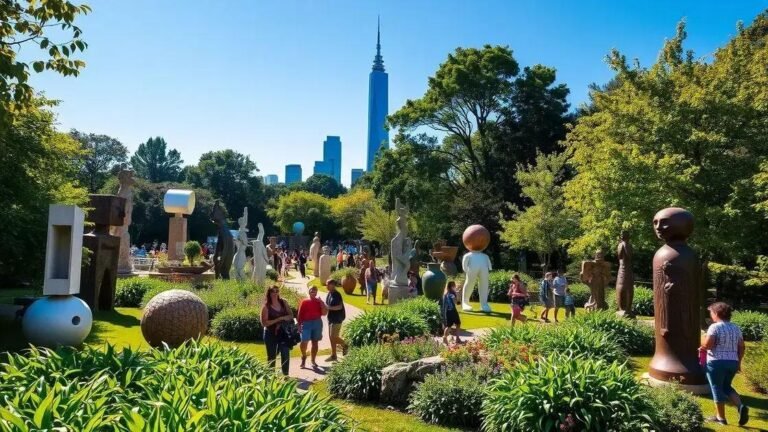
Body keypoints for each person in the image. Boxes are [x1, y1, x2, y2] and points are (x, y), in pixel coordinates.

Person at [699, 302, 749, 426]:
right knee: (726, 386)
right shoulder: (736, 328)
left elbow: (708, 345)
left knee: (716, 388)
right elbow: (742, 346)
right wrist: (739, 362)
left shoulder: (714, 327)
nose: (711, 315)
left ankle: (721, 418)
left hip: (716, 362)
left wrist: (703, 341)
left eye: (711, 313)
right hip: (733, 362)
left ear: (716, 313)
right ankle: (740, 406)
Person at [260, 286, 294, 376]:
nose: (275, 293)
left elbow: (291, 315)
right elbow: (264, 323)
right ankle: (271, 376)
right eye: (272, 291)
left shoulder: (283, 302)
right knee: (271, 357)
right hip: (270, 334)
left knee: (285, 354)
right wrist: (278, 319)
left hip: (283, 333)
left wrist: (283, 318)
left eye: (277, 291)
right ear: (269, 293)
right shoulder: (266, 306)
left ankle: (285, 375)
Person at [297, 286, 328, 368]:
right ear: (309, 292)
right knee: (304, 342)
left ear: (317, 292)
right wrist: (299, 326)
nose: (313, 291)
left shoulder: (319, 302)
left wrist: (321, 302)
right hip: (306, 323)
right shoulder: (304, 302)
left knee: (315, 342)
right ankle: (303, 356)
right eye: (311, 290)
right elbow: (299, 315)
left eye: (315, 290)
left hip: (317, 323)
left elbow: (324, 313)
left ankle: (313, 360)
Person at [325, 279, 349, 361]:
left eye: (328, 284)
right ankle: (333, 355)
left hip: (337, 319)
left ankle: (345, 344)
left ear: (332, 285)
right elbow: (327, 305)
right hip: (330, 318)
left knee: (334, 337)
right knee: (331, 338)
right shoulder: (329, 293)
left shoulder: (336, 294)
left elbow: (339, 307)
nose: (326, 286)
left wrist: (329, 308)